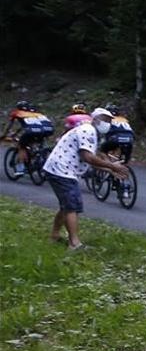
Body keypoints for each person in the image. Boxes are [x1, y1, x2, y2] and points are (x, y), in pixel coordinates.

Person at [41, 108, 128, 249]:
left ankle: (55, 236)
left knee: (66, 205)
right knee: (72, 206)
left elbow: (89, 160)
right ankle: (74, 243)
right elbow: (87, 157)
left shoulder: (91, 132)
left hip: (60, 169)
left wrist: (109, 170)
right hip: (62, 170)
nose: (107, 123)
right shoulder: (87, 130)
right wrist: (112, 167)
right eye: (105, 120)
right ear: (96, 119)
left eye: (110, 121)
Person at [1, 101, 54, 175]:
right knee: (34, 142)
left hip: (32, 132)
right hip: (48, 130)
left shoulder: (17, 113)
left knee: (21, 146)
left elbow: (9, 126)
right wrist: (16, 133)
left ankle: (20, 168)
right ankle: (40, 157)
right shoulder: (37, 114)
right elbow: (26, 126)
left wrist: (4, 135)